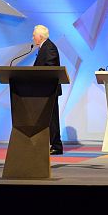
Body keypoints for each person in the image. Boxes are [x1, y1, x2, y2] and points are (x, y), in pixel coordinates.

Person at [32, 25, 63, 155]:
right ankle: (48, 144)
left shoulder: (49, 47)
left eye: (34, 35)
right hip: (43, 90)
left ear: (40, 36)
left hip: (49, 90)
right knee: (47, 119)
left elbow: (50, 69)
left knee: (52, 119)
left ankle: (56, 145)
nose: (33, 38)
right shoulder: (44, 47)